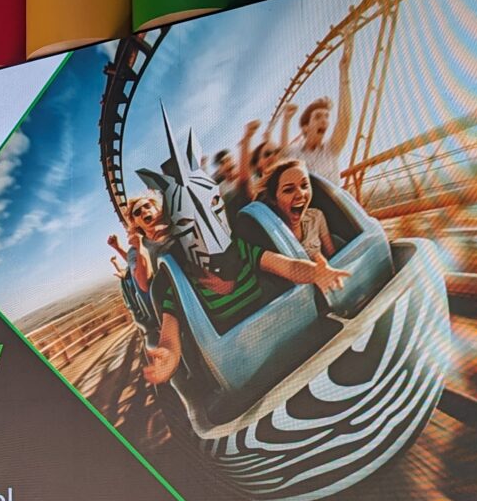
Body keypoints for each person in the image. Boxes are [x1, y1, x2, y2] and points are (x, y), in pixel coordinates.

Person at [142, 193, 347, 390]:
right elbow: (169, 337)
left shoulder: (239, 249)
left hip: (283, 341)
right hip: (243, 371)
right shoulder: (180, 285)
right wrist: (167, 359)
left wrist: (316, 272)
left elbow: (288, 267)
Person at [258, 157, 334, 262]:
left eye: (304, 185)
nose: (300, 194)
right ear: (273, 199)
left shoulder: (316, 217)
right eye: (289, 190)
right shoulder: (271, 234)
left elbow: (333, 255)